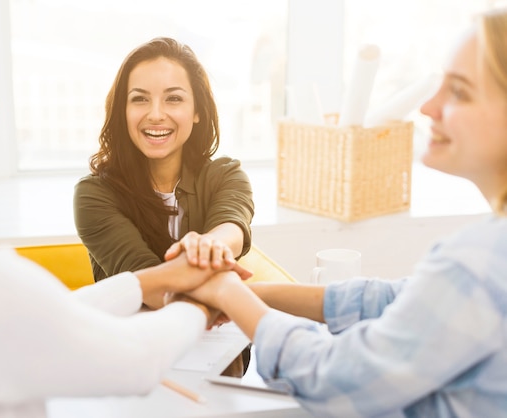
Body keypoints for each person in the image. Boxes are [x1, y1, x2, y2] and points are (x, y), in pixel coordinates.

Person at [0, 1, 247, 416]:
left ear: (198, 112)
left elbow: (52, 314)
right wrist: (210, 298)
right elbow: (132, 358)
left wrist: (157, 280)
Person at [174, 8, 507, 418]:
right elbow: (399, 300)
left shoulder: (478, 261)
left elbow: (332, 378)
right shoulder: (484, 257)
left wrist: (227, 291)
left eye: (459, 92)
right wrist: (253, 295)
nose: (427, 108)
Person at [73, 37, 255, 309]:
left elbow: (230, 234)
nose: (156, 114)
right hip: (135, 347)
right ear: (123, 110)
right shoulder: (94, 194)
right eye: (139, 99)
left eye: (173, 98)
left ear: (197, 111)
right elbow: (151, 285)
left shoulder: (227, 176)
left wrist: (208, 246)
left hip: (218, 347)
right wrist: (219, 280)